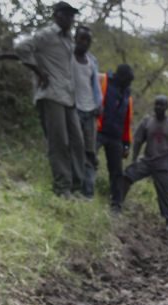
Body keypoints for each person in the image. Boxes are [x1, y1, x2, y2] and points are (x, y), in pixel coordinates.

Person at [0, 1, 86, 197]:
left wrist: (4, 56)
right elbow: (22, 48)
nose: (71, 19)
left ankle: (78, 187)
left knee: (78, 142)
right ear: (57, 16)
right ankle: (62, 188)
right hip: (51, 94)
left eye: (72, 16)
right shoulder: (47, 35)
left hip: (68, 96)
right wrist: (39, 71)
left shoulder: (69, 39)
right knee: (59, 142)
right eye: (67, 15)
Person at [116, 95, 168, 227]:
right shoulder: (147, 121)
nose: (158, 107)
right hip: (147, 161)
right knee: (126, 176)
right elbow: (138, 140)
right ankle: (117, 205)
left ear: (167, 107)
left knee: (165, 193)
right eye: (156, 104)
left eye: (161, 105)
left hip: (164, 164)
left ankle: (167, 221)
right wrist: (134, 159)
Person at [95, 64, 134, 211]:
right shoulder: (103, 80)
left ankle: (116, 204)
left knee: (117, 171)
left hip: (116, 137)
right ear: (120, 76)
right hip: (99, 130)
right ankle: (85, 191)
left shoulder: (127, 93)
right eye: (128, 79)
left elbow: (127, 120)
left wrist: (126, 143)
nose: (130, 83)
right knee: (89, 159)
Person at [72, 25, 102, 198]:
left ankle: (88, 192)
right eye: (82, 38)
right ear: (75, 38)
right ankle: (73, 187)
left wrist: (99, 104)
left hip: (90, 111)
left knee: (90, 152)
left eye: (88, 40)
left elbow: (95, 85)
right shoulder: (68, 57)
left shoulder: (92, 60)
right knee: (74, 148)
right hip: (72, 108)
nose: (85, 43)